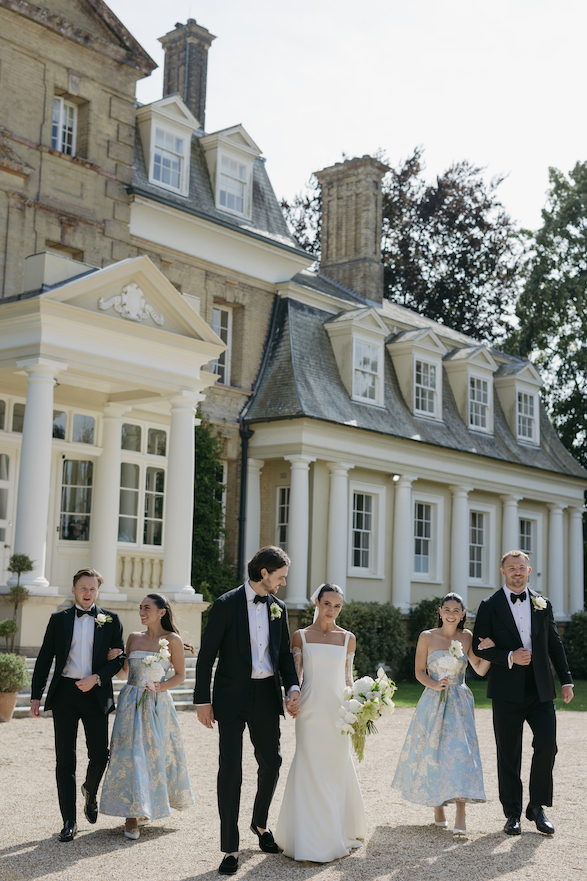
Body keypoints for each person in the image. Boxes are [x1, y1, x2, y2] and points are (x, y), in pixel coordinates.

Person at [194, 546, 300, 876]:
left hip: (266, 695)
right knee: (231, 770)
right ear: (264, 573)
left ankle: (260, 824)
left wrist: (293, 687)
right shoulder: (225, 605)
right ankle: (229, 847)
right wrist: (202, 700)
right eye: (280, 577)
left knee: (273, 761)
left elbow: (283, 655)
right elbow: (206, 654)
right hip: (230, 698)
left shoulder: (278, 608)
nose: (283, 583)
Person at [473, 550, 573, 836]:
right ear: (502, 572)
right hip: (506, 690)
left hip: (541, 689)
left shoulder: (543, 604)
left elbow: (554, 643)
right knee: (509, 754)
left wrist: (566, 680)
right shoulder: (490, 605)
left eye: (522, 568)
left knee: (547, 744)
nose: (517, 572)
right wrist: (508, 656)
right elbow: (480, 646)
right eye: (512, 568)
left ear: (529, 571)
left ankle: (537, 807)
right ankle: (513, 813)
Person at [30, 568, 125, 842]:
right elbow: (45, 657)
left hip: (95, 693)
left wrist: (97, 677)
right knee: (65, 759)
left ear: (97, 591)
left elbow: (118, 658)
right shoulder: (58, 619)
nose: (88, 593)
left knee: (99, 755)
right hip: (65, 695)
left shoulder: (110, 620)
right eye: (83, 588)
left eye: (93, 589)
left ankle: (90, 792)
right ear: (74, 590)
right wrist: (37, 695)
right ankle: (68, 821)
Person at [275, 583, 366, 862]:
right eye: (328, 604)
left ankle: (334, 833)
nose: (332, 611)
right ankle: (306, 837)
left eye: (337, 606)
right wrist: (290, 700)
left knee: (335, 769)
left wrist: (360, 708)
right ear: (317, 602)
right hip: (311, 712)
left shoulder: (347, 637)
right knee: (309, 766)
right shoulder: (300, 636)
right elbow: (295, 678)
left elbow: (349, 680)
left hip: (339, 713)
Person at [392, 593, 492, 835]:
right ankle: (438, 808)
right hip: (433, 699)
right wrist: (434, 685)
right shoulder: (427, 636)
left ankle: (461, 813)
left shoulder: (467, 637)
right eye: (446, 609)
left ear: (463, 614)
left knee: (461, 755)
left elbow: (478, 669)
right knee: (434, 753)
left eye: (456, 610)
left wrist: (490, 652)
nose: (451, 613)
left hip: (460, 701)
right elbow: (418, 671)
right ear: (439, 611)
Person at [100, 593, 195, 839]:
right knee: (128, 755)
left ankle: (145, 806)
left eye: (147, 608)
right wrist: (115, 659)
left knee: (152, 755)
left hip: (156, 704)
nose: (142, 612)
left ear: (161, 612)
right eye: (140, 608)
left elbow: (180, 675)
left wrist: (159, 687)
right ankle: (131, 815)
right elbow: (124, 675)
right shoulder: (133, 638)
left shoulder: (172, 639)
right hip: (130, 703)